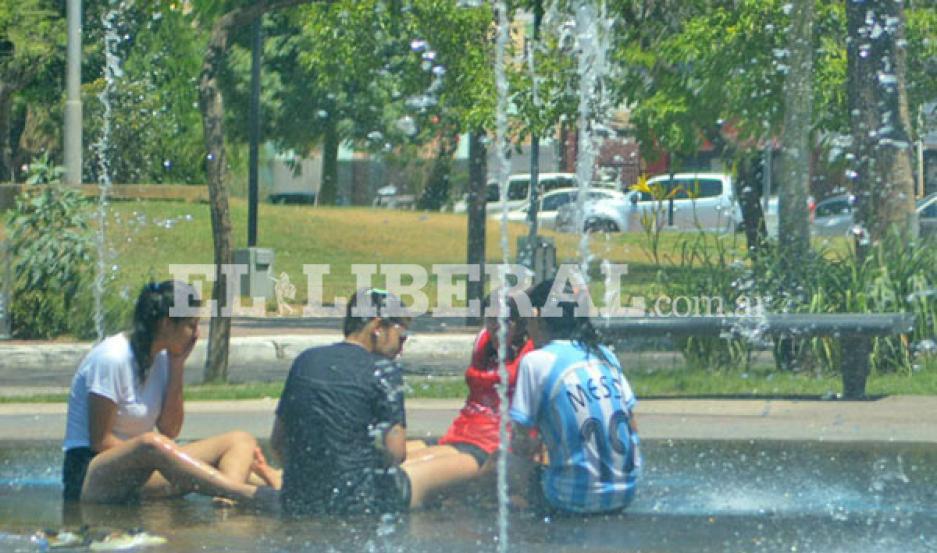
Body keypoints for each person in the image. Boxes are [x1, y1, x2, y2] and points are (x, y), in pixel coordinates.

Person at [62, 280, 272, 504]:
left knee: (240, 441)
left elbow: (170, 429)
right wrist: (166, 458)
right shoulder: (111, 358)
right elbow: (100, 441)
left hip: (148, 465)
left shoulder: (163, 358)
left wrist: (177, 365)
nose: (196, 334)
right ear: (166, 324)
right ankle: (242, 493)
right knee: (151, 443)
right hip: (92, 475)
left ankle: (228, 502)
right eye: (191, 325)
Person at [270, 288, 411, 516]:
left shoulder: (306, 360)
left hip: (299, 499)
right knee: (451, 468)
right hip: (358, 503)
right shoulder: (384, 370)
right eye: (401, 337)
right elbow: (395, 453)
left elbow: (277, 443)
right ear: (377, 327)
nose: (401, 349)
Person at [509, 278, 640, 515]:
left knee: (502, 465)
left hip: (569, 499)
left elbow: (520, 443)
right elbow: (632, 426)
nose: (526, 329)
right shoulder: (604, 354)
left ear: (537, 315)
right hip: (625, 493)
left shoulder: (536, 362)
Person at [402, 291, 535, 508]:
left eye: (504, 321)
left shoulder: (532, 355)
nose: (495, 327)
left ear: (521, 324)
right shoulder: (483, 344)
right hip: (459, 436)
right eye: (490, 319)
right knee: (390, 461)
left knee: (410, 476)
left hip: (490, 446)